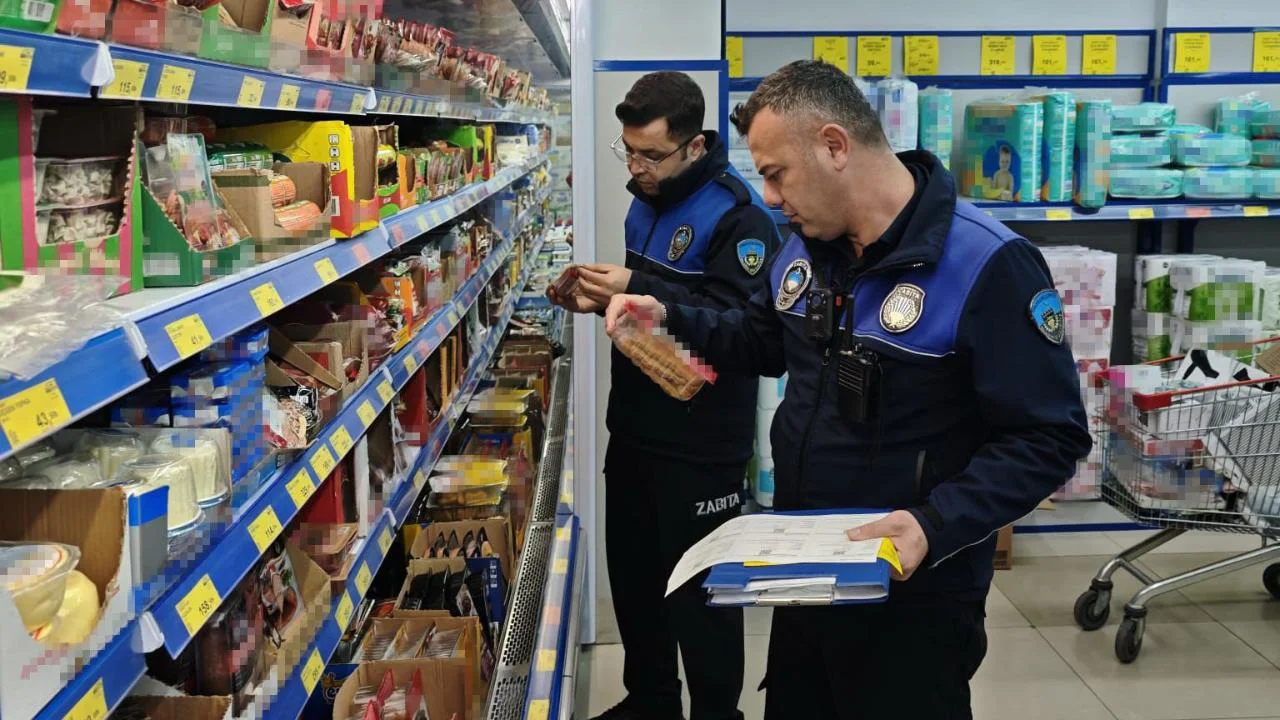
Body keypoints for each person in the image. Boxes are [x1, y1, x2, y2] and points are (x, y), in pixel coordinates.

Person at [603, 60, 1092, 719]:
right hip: (805, 575)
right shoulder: (807, 248)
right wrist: (669, 315)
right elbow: (762, 340)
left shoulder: (987, 264)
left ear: (834, 146)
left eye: (776, 174)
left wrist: (935, 523)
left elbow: (1051, 436)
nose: (768, 197)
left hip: (911, 597)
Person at [549, 71, 781, 720]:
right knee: (635, 581)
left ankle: (717, 714)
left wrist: (639, 287)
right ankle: (650, 701)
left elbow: (744, 333)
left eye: (651, 154)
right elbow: (655, 319)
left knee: (703, 598)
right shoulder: (644, 203)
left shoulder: (739, 217)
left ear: (696, 145)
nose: (637, 167)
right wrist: (603, 300)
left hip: (701, 446)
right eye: (628, 150)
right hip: (634, 427)